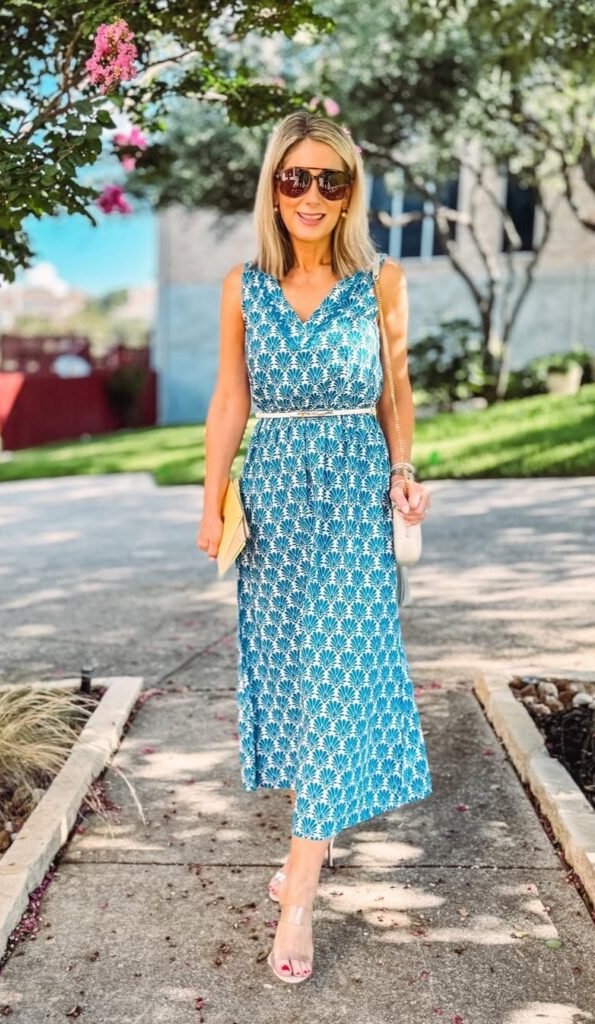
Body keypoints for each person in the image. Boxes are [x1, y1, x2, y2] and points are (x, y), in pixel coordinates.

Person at [196, 110, 433, 984]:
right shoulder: (243, 286)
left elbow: (394, 391)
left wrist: (403, 469)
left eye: (329, 180)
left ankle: (297, 891)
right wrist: (211, 499)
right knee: (297, 673)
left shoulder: (380, 281)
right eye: (294, 177)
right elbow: (230, 399)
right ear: (272, 187)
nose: (310, 194)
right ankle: (314, 835)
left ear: (349, 193)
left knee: (337, 667)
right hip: (273, 498)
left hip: (354, 494)